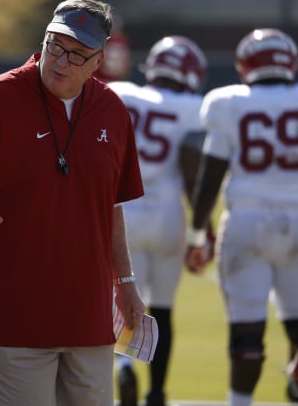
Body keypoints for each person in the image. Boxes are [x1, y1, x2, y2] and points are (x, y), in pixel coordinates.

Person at [0, 0, 147, 406]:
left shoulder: (111, 110)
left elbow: (110, 206)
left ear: (98, 60)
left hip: (88, 323)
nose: (61, 61)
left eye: (77, 54)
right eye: (55, 45)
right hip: (6, 322)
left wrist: (125, 283)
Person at [185, 28, 298, 406]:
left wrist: (198, 236)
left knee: (246, 331)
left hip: (245, 221)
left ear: (245, 66)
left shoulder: (227, 102)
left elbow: (209, 181)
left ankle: (240, 403)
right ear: (290, 62)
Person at [107, 35, 208, 406]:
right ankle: (157, 393)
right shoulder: (196, 106)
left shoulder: (120, 92)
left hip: (125, 211)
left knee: (122, 302)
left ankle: (123, 369)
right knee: (163, 308)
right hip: (169, 214)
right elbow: (197, 169)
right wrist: (205, 231)